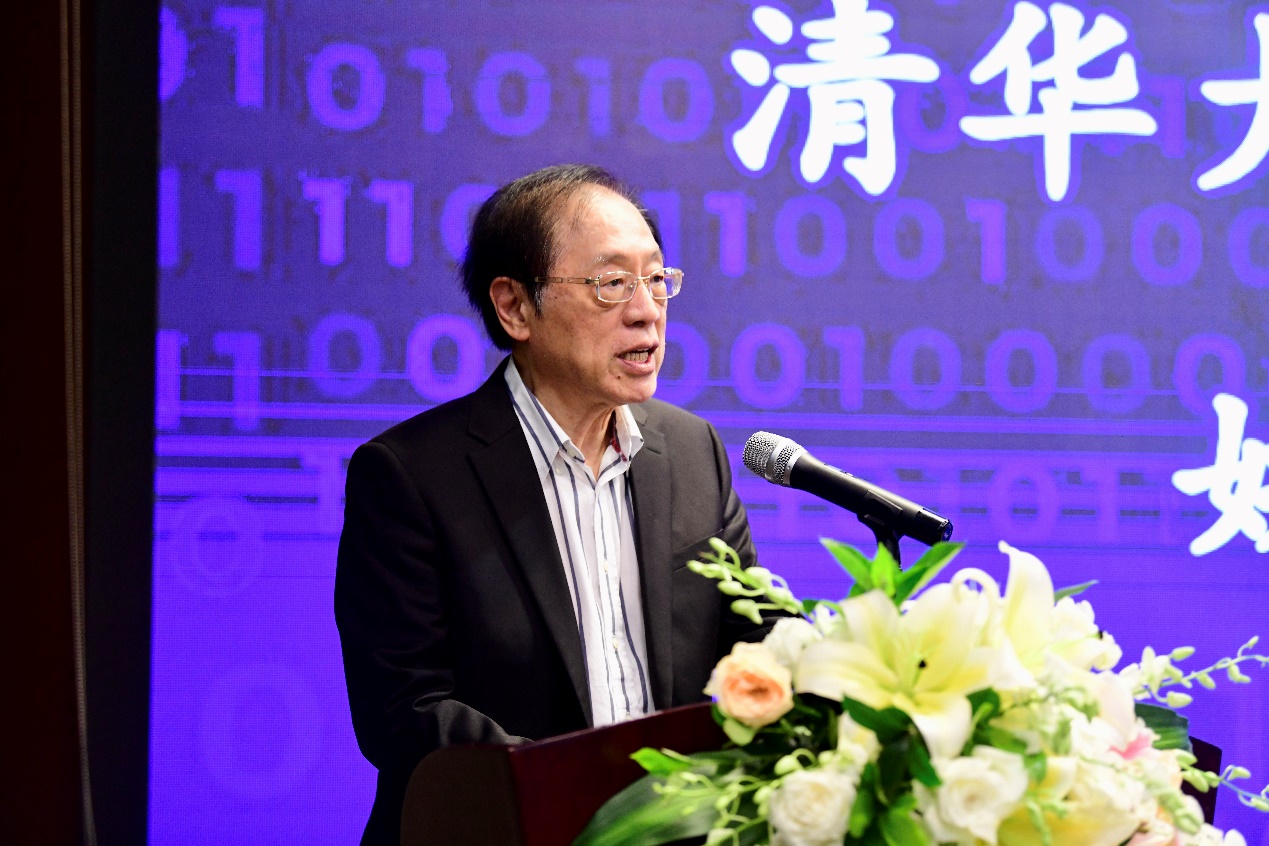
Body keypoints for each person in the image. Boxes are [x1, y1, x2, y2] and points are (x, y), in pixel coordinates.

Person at [335, 164, 763, 846]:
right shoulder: (410, 476)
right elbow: (406, 710)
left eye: (657, 279)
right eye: (611, 283)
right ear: (514, 307)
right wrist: (586, 799)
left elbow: (760, 646)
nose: (646, 310)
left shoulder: (692, 453)